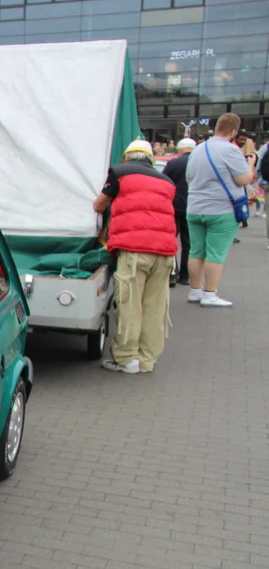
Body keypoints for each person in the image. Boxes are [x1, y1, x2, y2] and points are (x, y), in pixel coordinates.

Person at [92, 139, 176, 374]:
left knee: (130, 305)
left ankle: (127, 359)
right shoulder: (167, 182)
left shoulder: (119, 173)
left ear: (126, 157)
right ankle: (147, 360)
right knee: (155, 307)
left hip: (134, 251)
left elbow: (99, 205)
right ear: (151, 159)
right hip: (166, 252)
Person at [185, 113, 256, 308]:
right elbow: (243, 179)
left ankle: (195, 290)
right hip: (221, 209)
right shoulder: (231, 150)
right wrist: (250, 164)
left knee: (196, 251)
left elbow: (189, 179)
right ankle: (210, 293)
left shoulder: (198, 149)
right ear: (233, 131)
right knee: (215, 253)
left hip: (195, 207)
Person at [162, 137, 196, 286]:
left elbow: (163, 181)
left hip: (174, 207)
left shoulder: (173, 163)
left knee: (170, 240)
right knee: (188, 243)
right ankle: (185, 275)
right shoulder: (198, 163)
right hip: (193, 206)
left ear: (180, 149)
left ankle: (171, 274)